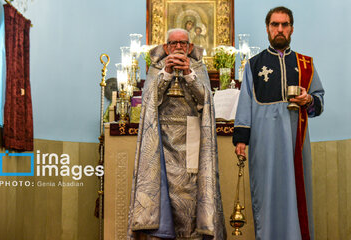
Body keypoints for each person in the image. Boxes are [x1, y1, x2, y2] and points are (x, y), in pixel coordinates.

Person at [233, 6, 324, 240]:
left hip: (295, 141)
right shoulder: (253, 65)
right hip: (263, 144)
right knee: (266, 195)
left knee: (295, 194)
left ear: (292, 28)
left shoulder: (305, 64)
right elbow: (245, 103)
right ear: (267, 29)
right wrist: (241, 139)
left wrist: (308, 99)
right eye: (275, 25)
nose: (280, 29)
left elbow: (319, 101)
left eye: (285, 24)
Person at [127, 28, 226, 239]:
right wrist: (167, 73)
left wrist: (190, 75)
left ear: (190, 47)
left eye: (183, 43)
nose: (179, 47)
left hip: (190, 139)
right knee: (165, 196)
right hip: (161, 140)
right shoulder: (156, 67)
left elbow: (206, 102)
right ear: (166, 47)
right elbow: (149, 103)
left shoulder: (198, 67)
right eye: (173, 43)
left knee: (188, 196)